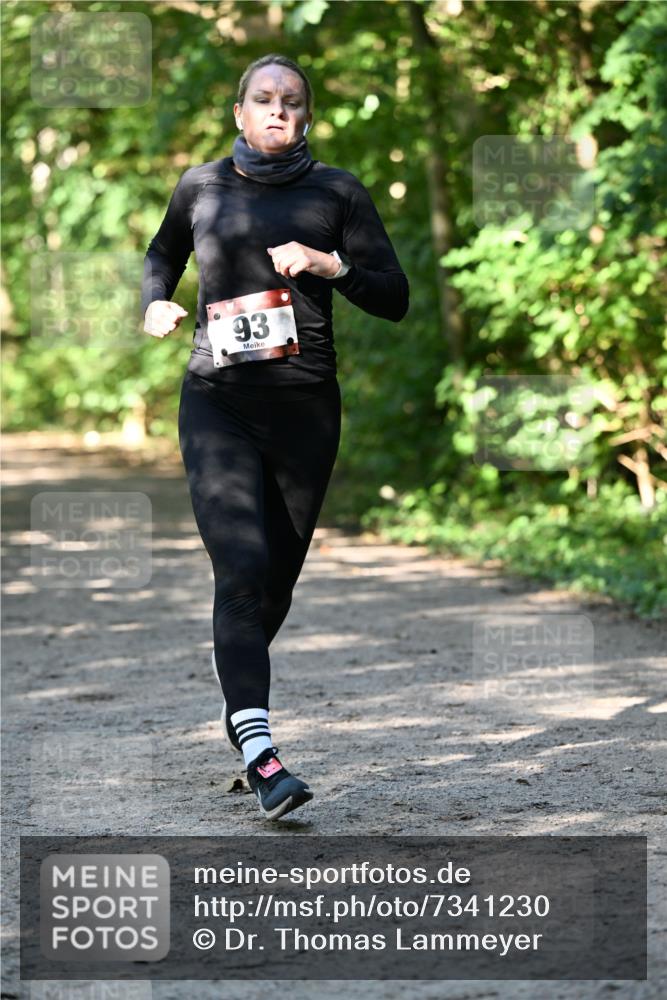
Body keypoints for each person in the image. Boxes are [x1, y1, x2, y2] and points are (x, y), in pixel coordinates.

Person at [141, 53, 409, 821]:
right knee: (242, 567)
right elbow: (163, 254)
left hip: (305, 412)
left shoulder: (338, 193)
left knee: (274, 587)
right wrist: (157, 301)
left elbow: (393, 297)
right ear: (238, 112)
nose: (277, 112)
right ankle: (261, 755)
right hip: (217, 402)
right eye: (263, 100)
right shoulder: (200, 187)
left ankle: (239, 709)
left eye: (291, 103)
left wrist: (333, 266)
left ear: (307, 117)